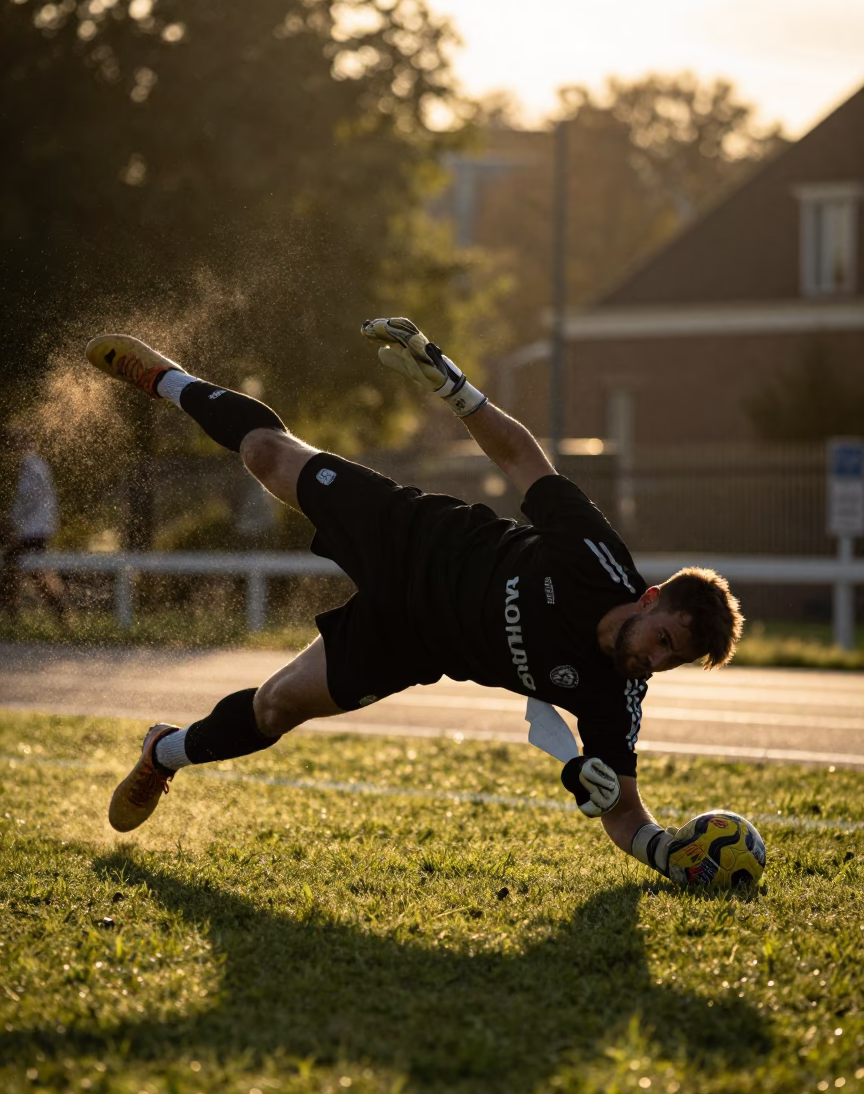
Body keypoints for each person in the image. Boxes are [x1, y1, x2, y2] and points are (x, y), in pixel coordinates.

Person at [85, 319, 742, 881]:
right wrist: (457, 388)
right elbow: (520, 456)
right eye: (664, 641)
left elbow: (624, 808)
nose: (654, 663)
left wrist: (665, 851)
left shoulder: (615, 696)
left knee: (276, 707)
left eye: (670, 663)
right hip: (415, 538)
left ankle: (161, 754)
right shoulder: (596, 557)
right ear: (651, 599)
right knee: (265, 452)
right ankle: (165, 380)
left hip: (411, 642)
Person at [0, 425, 67, 625]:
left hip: (34, 530)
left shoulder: (32, 468)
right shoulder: (36, 466)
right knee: (33, 572)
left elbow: (26, 500)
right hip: (36, 528)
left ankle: (11, 613)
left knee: (16, 565)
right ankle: (59, 612)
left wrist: (11, 523)